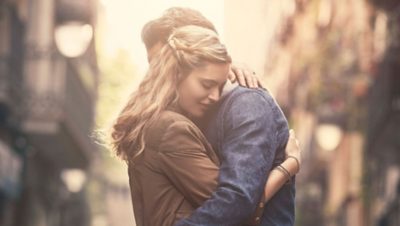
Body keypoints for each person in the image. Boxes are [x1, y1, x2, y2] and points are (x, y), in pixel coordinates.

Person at [140, 7, 299, 226]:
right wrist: (288, 166)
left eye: (165, 61)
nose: (157, 74)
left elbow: (237, 201)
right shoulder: (177, 116)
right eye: (154, 64)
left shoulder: (246, 104)